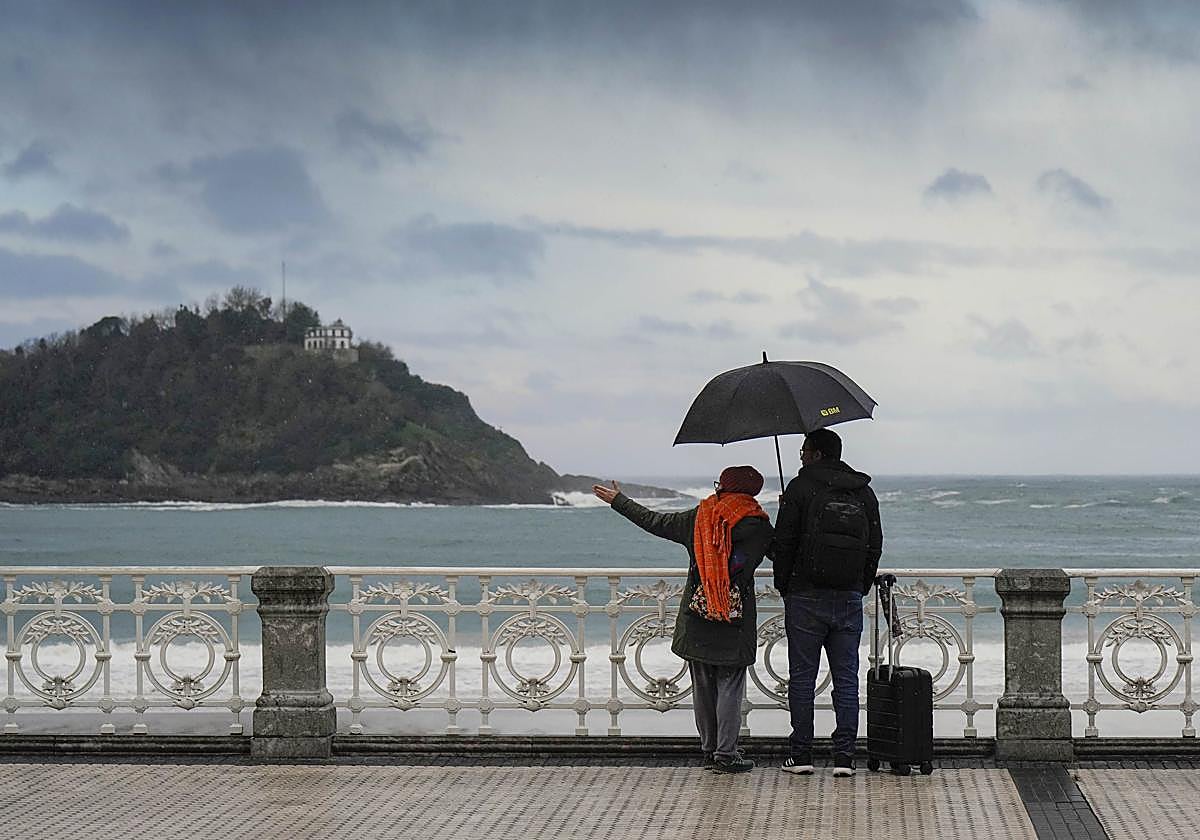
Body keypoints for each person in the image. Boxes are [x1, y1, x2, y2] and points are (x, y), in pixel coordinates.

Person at [593, 466, 773, 774]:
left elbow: (655, 522)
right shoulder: (759, 526)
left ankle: (709, 750)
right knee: (730, 684)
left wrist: (619, 500)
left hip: (698, 615)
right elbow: (785, 555)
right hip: (735, 617)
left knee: (703, 684)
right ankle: (726, 754)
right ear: (753, 492)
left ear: (724, 487)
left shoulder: (700, 517)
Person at [770, 428, 882, 778]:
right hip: (848, 595)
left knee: (802, 678)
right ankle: (845, 758)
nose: (800, 456)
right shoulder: (863, 491)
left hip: (804, 596)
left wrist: (784, 585)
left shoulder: (799, 489)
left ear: (817, 453)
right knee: (846, 678)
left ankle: (801, 754)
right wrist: (860, 585)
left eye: (803, 450)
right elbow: (874, 545)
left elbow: (783, 545)